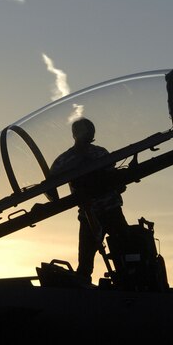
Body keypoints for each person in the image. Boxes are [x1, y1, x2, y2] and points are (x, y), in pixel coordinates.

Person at [50, 118, 128, 283]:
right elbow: (51, 181)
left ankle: (130, 283)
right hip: (89, 215)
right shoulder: (65, 160)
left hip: (110, 211)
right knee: (85, 265)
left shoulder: (97, 154)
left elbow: (115, 179)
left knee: (127, 256)